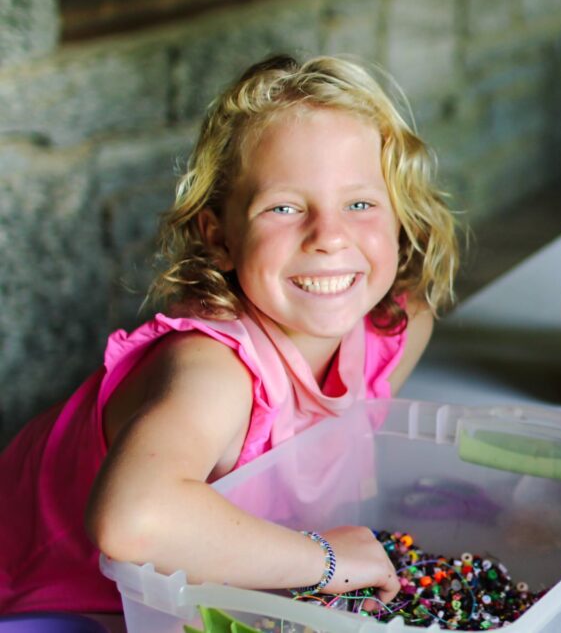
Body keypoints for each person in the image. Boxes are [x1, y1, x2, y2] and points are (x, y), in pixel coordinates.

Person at [0, 54, 459, 615]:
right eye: (285, 207)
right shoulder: (213, 370)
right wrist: (325, 562)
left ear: (401, 219)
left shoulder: (396, 329)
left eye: (360, 203)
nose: (329, 237)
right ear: (218, 237)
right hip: (42, 603)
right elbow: (132, 521)